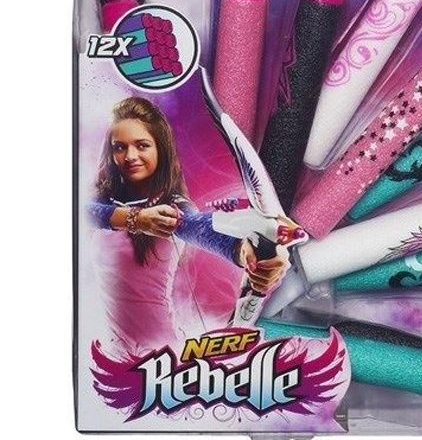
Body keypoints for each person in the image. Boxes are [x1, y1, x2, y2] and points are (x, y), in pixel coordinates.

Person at [87, 97, 288, 355]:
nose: (130, 156)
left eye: (142, 145)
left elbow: (201, 229)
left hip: (163, 354)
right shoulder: (99, 202)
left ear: (160, 149)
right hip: (112, 353)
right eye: (120, 147)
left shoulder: (173, 208)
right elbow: (86, 212)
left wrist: (245, 250)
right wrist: (136, 218)